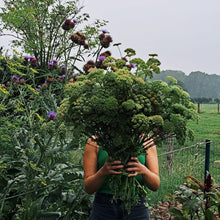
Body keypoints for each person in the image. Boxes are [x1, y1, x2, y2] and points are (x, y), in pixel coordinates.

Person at [83, 135, 160, 220]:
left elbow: (155, 185)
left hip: (137, 208)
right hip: (103, 208)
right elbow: (88, 188)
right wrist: (103, 172)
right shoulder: (95, 141)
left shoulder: (145, 140)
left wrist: (143, 170)